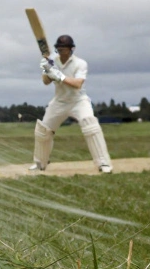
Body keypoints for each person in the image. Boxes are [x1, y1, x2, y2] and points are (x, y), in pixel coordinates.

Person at [30, 34, 113, 173]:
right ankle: (40, 163)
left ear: (71, 49)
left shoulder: (81, 63)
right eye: (59, 48)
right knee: (43, 130)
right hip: (59, 101)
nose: (61, 50)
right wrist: (46, 68)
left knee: (90, 124)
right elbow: (45, 81)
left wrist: (60, 76)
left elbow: (78, 84)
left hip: (78, 101)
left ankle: (103, 163)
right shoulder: (52, 61)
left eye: (64, 48)